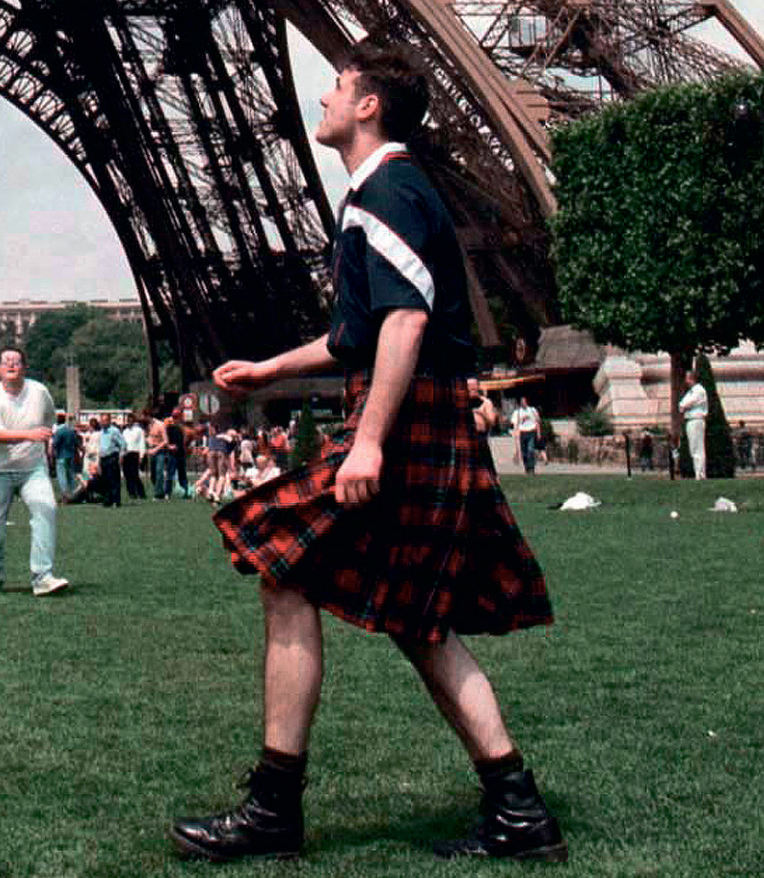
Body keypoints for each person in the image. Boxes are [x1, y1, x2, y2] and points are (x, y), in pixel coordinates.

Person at [168, 42, 561, 863]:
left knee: (281, 560)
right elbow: (359, 331)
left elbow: (406, 321)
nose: (324, 97)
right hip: (424, 413)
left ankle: (275, 809)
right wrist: (271, 368)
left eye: (339, 86)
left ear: (370, 105)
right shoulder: (387, 192)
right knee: (419, 621)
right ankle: (518, 809)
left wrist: (369, 443)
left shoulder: (387, 191)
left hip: (408, 419)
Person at [0, 348, 69, 597]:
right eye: (6, 362)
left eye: (16, 361)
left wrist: (39, 438)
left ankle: (43, 577)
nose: (11, 365)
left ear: (24, 367)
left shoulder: (40, 392)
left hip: (32, 469)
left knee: (46, 509)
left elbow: (49, 419)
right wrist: (29, 435)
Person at [679, 374, 709, 479]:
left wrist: (683, 406)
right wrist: (683, 406)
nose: (685, 381)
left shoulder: (699, 390)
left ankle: (699, 474)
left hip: (696, 420)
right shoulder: (691, 391)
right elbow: (681, 405)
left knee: (697, 448)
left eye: (687, 378)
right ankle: (699, 473)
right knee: (694, 448)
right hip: (691, 420)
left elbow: (686, 404)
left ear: (692, 379)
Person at [49, 410, 78, 498]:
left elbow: (55, 444)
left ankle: (64, 495)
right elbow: (76, 443)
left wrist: (51, 456)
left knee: (62, 477)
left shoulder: (59, 431)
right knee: (71, 476)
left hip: (61, 456)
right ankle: (74, 493)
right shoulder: (71, 431)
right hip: (70, 455)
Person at [510, 397, 541, 475]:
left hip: (531, 432)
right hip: (522, 433)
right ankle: (526, 468)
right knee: (524, 453)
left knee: (530, 450)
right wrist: (515, 433)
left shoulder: (532, 410)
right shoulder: (517, 412)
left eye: (524, 401)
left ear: (527, 402)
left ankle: (532, 468)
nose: (523, 403)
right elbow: (515, 424)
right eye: (521, 402)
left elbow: (537, 421)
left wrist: (538, 432)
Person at [120, 412, 148, 500]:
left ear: (134, 421)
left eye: (131, 420)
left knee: (135, 474)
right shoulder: (125, 431)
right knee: (127, 475)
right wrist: (121, 455)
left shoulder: (139, 430)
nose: (129, 422)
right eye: (128, 420)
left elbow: (142, 443)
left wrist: (141, 456)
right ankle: (131, 493)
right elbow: (122, 445)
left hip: (135, 454)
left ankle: (141, 493)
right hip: (126, 454)